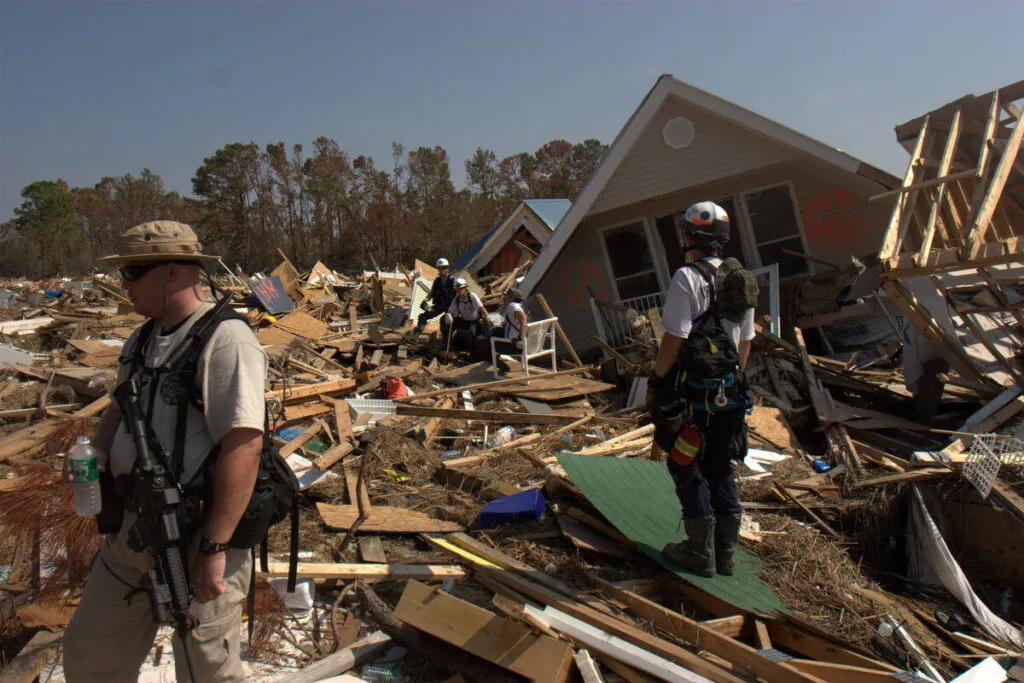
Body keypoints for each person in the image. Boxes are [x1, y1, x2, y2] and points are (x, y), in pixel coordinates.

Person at [63, 221, 267, 682]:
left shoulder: (226, 340)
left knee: (205, 669)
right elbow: (121, 406)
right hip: (132, 534)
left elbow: (244, 446)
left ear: (173, 273)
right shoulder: (141, 339)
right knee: (90, 654)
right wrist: (92, 454)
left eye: (134, 272)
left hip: (195, 537)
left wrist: (214, 548)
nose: (125, 285)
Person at [646, 201, 755, 579]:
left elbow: (675, 336)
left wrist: (658, 380)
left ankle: (698, 551)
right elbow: (745, 344)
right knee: (720, 465)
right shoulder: (741, 279)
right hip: (730, 395)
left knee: (684, 462)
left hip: (693, 399)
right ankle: (726, 555)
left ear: (691, 236)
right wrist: (736, 381)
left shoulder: (686, 278)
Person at [487, 289, 529, 373]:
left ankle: (502, 365)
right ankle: (497, 358)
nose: (504, 298)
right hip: (523, 344)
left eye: (506, 296)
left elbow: (522, 317)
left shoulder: (512, 305)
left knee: (483, 344)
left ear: (511, 297)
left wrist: (519, 337)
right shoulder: (520, 306)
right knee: (496, 331)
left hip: (513, 345)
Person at [444, 277, 488, 356]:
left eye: (460, 289)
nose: (458, 291)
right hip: (464, 321)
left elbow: (482, 309)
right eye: (457, 289)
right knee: (444, 322)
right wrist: (449, 316)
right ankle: (447, 345)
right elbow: (450, 311)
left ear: (465, 288)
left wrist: (489, 319)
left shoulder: (472, 297)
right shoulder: (457, 299)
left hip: (475, 321)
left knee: (471, 333)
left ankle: (473, 353)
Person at [414, 257, 456, 334]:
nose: (441, 270)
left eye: (443, 268)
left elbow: (457, 295)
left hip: (450, 306)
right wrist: (425, 301)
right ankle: (416, 335)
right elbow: (432, 293)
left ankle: (447, 341)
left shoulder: (453, 280)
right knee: (422, 317)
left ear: (447, 268)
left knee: (445, 322)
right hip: (440, 305)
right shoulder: (437, 281)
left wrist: (453, 310)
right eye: (440, 268)